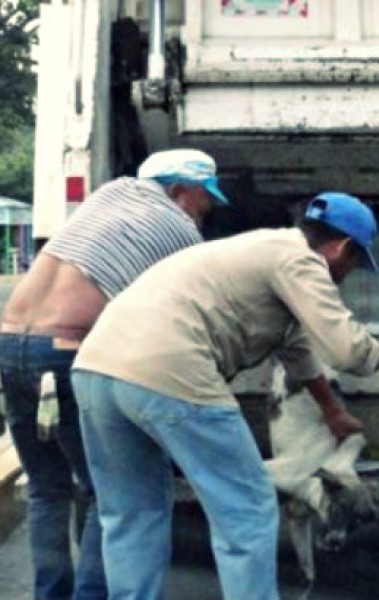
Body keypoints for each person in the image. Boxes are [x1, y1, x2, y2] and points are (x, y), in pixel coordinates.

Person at [70, 191, 379, 600]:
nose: (349, 273)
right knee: (247, 507)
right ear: (342, 246)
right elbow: (345, 350)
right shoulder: (299, 259)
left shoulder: (261, 251)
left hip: (97, 369)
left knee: (132, 513)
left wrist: (332, 411)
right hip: (171, 370)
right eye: (354, 262)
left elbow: (300, 350)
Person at [0, 148, 228, 600]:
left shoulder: (109, 193)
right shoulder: (180, 230)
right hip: (67, 352)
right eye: (206, 199)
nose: (208, 211)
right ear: (179, 191)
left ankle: (51, 595)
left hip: (10, 345)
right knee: (105, 494)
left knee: (47, 491)